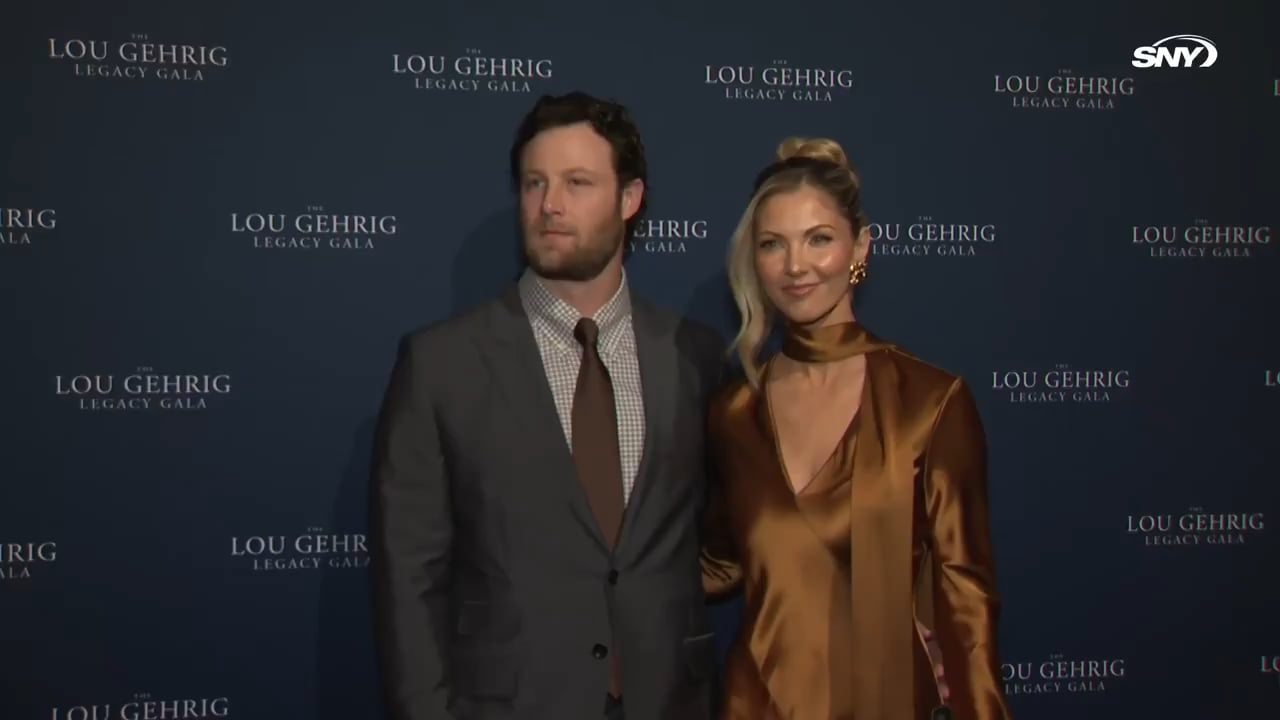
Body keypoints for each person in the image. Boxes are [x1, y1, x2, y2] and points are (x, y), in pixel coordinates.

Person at [368, 91, 725, 720]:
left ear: (630, 199)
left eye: (577, 182)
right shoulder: (440, 365)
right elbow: (408, 584)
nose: (549, 205)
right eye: (534, 183)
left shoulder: (694, 356)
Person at [700, 137, 1012, 720]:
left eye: (818, 239)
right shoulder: (734, 413)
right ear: (753, 261)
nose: (795, 266)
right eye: (773, 244)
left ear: (859, 248)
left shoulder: (930, 402)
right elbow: (716, 562)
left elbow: (965, 598)